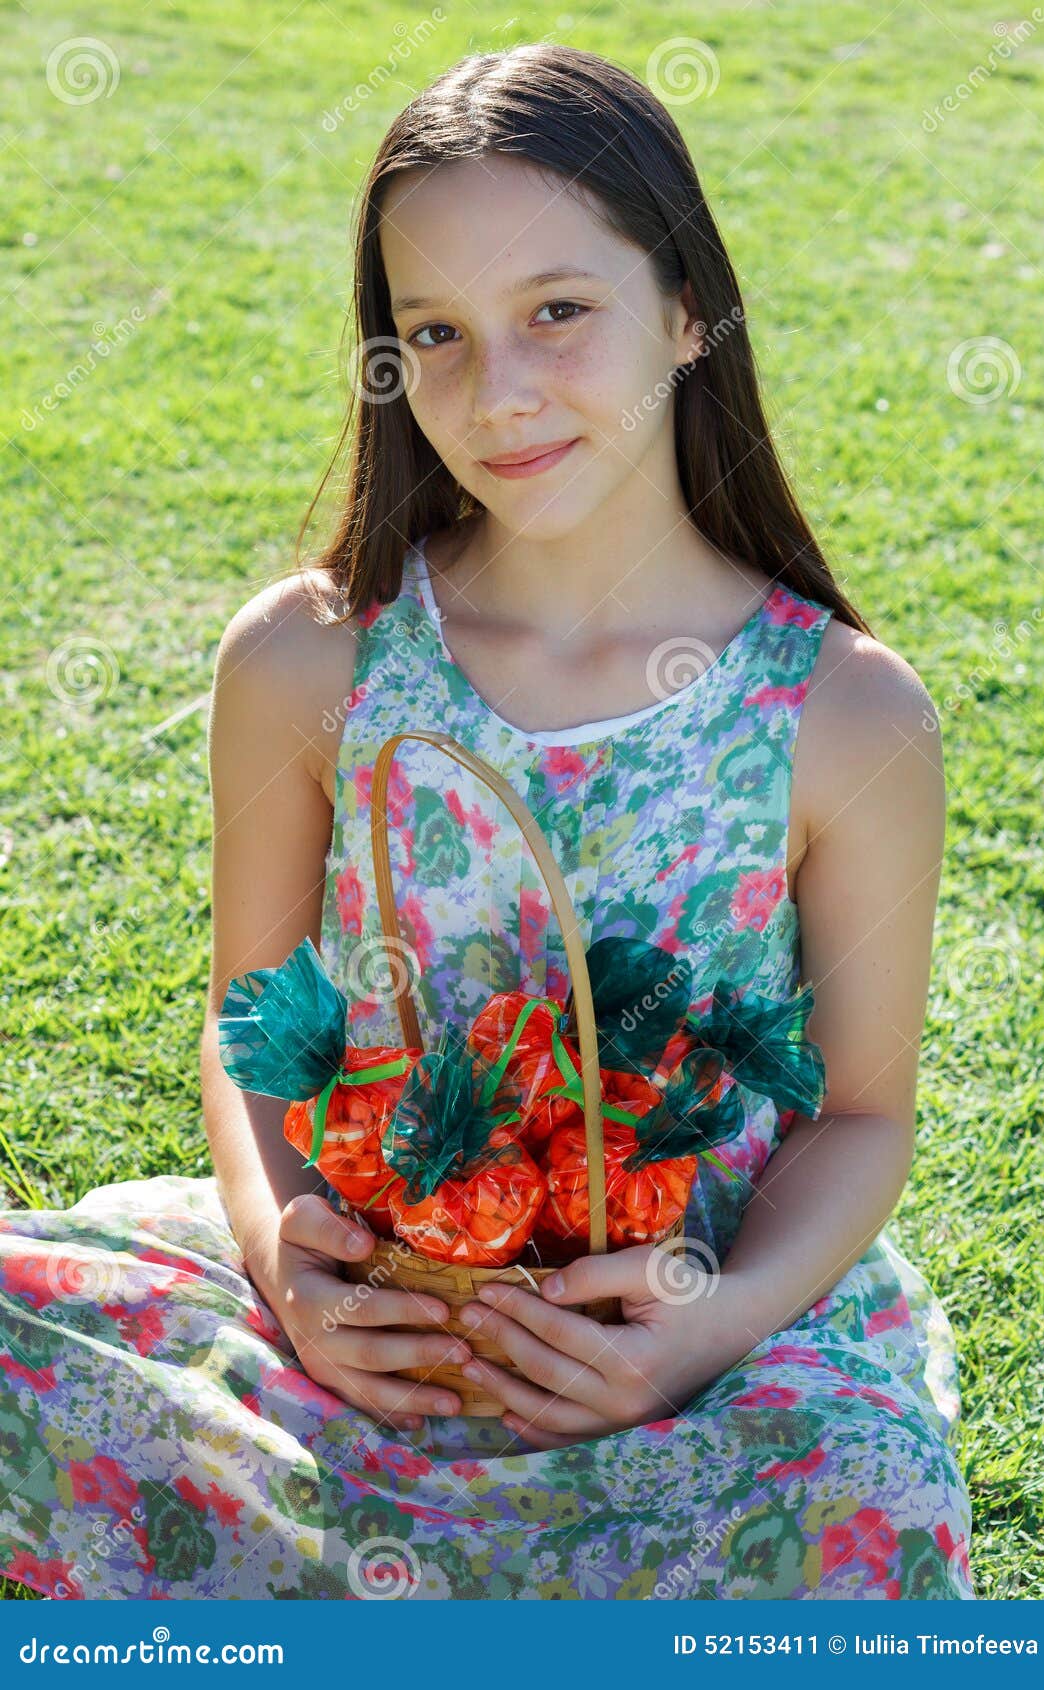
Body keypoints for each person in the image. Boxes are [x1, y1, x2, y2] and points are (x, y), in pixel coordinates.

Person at [0, 42, 974, 1600]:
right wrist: (281, 1255)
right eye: (434, 333)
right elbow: (251, 1016)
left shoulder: (845, 714)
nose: (497, 392)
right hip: (367, 1338)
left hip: (671, 1360)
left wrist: (705, 1327)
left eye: (558, 313)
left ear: (685, 311)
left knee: (873, 1502)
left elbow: (860, 1115)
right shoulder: (310, 656)